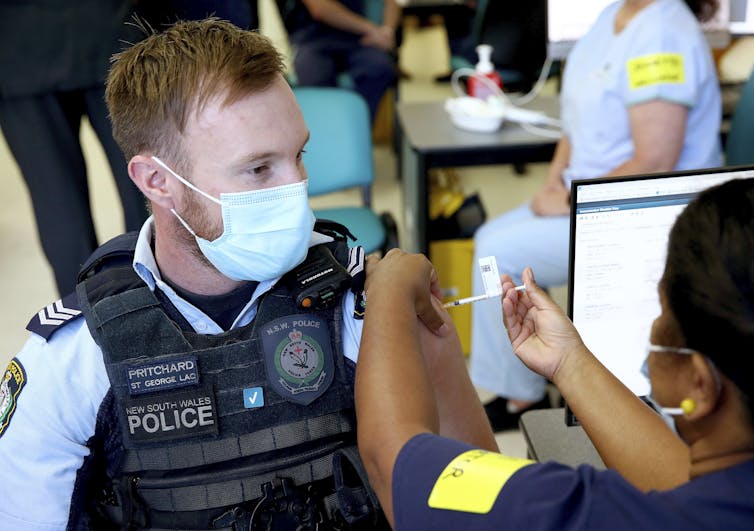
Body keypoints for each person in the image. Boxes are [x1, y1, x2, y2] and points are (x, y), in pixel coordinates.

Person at [0, 19, 388, 529]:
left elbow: (441, 491)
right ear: (157, 180)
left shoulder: (361, 303)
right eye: (258, 169)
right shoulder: (74, 360)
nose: (298, 190)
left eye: (299, 155)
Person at [356, 177, 754, 529]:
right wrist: (568, 361)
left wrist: (388, 289)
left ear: (699, 385)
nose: (653, 326)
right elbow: (681, 480)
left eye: (661, 311)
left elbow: (395, 466)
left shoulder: (591, 513)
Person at [470, 0, 723, 431]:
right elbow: (575, 124)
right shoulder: (613, 18)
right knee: (490, 238)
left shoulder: (662, 32)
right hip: (590, 195)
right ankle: (523, 392)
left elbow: (656, 159)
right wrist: (553, 183)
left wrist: (568, 201)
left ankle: (521, 397)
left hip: (646, 213)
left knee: (496, 250)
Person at [0, 0, 150, 296]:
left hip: (17, 46)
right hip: (109, 28)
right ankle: (159, 310)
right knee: (146, 187)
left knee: (57, 203)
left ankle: (85, 321)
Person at [280, 0, 401, 120]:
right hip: (312, 40)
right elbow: (319, 8)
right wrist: (372, 30)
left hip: (357, 40)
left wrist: (387, 31)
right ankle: (323, 131)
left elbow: (392, 2)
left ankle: (356, 127)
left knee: (380, 68)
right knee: (312, 76)